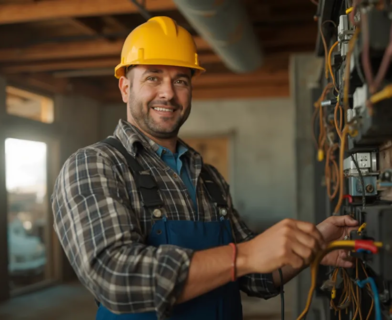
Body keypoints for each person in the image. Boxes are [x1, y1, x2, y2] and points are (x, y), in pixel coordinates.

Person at [51, 16, 358, 320]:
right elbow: (115, 279)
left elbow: (255, 277)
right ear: (125, 88)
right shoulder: (94, 165)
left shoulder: (208, 176)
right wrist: (247, 255)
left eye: (180, 80)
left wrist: (312, 246)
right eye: (153, 77)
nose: (168, 93)